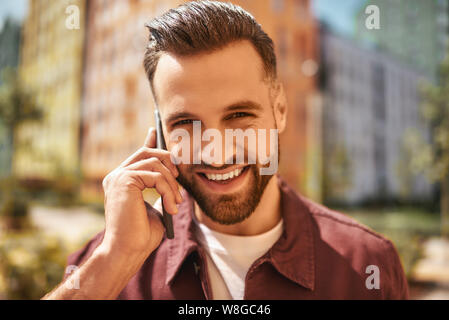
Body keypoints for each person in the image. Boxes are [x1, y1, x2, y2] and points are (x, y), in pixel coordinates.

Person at [43, 0, 408, 300]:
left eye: (238, 115)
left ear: (279, 110)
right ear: (159, 133)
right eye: (185, 123)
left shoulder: (367, 264)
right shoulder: (105, 263)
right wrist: (114, 260)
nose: (216, 155)